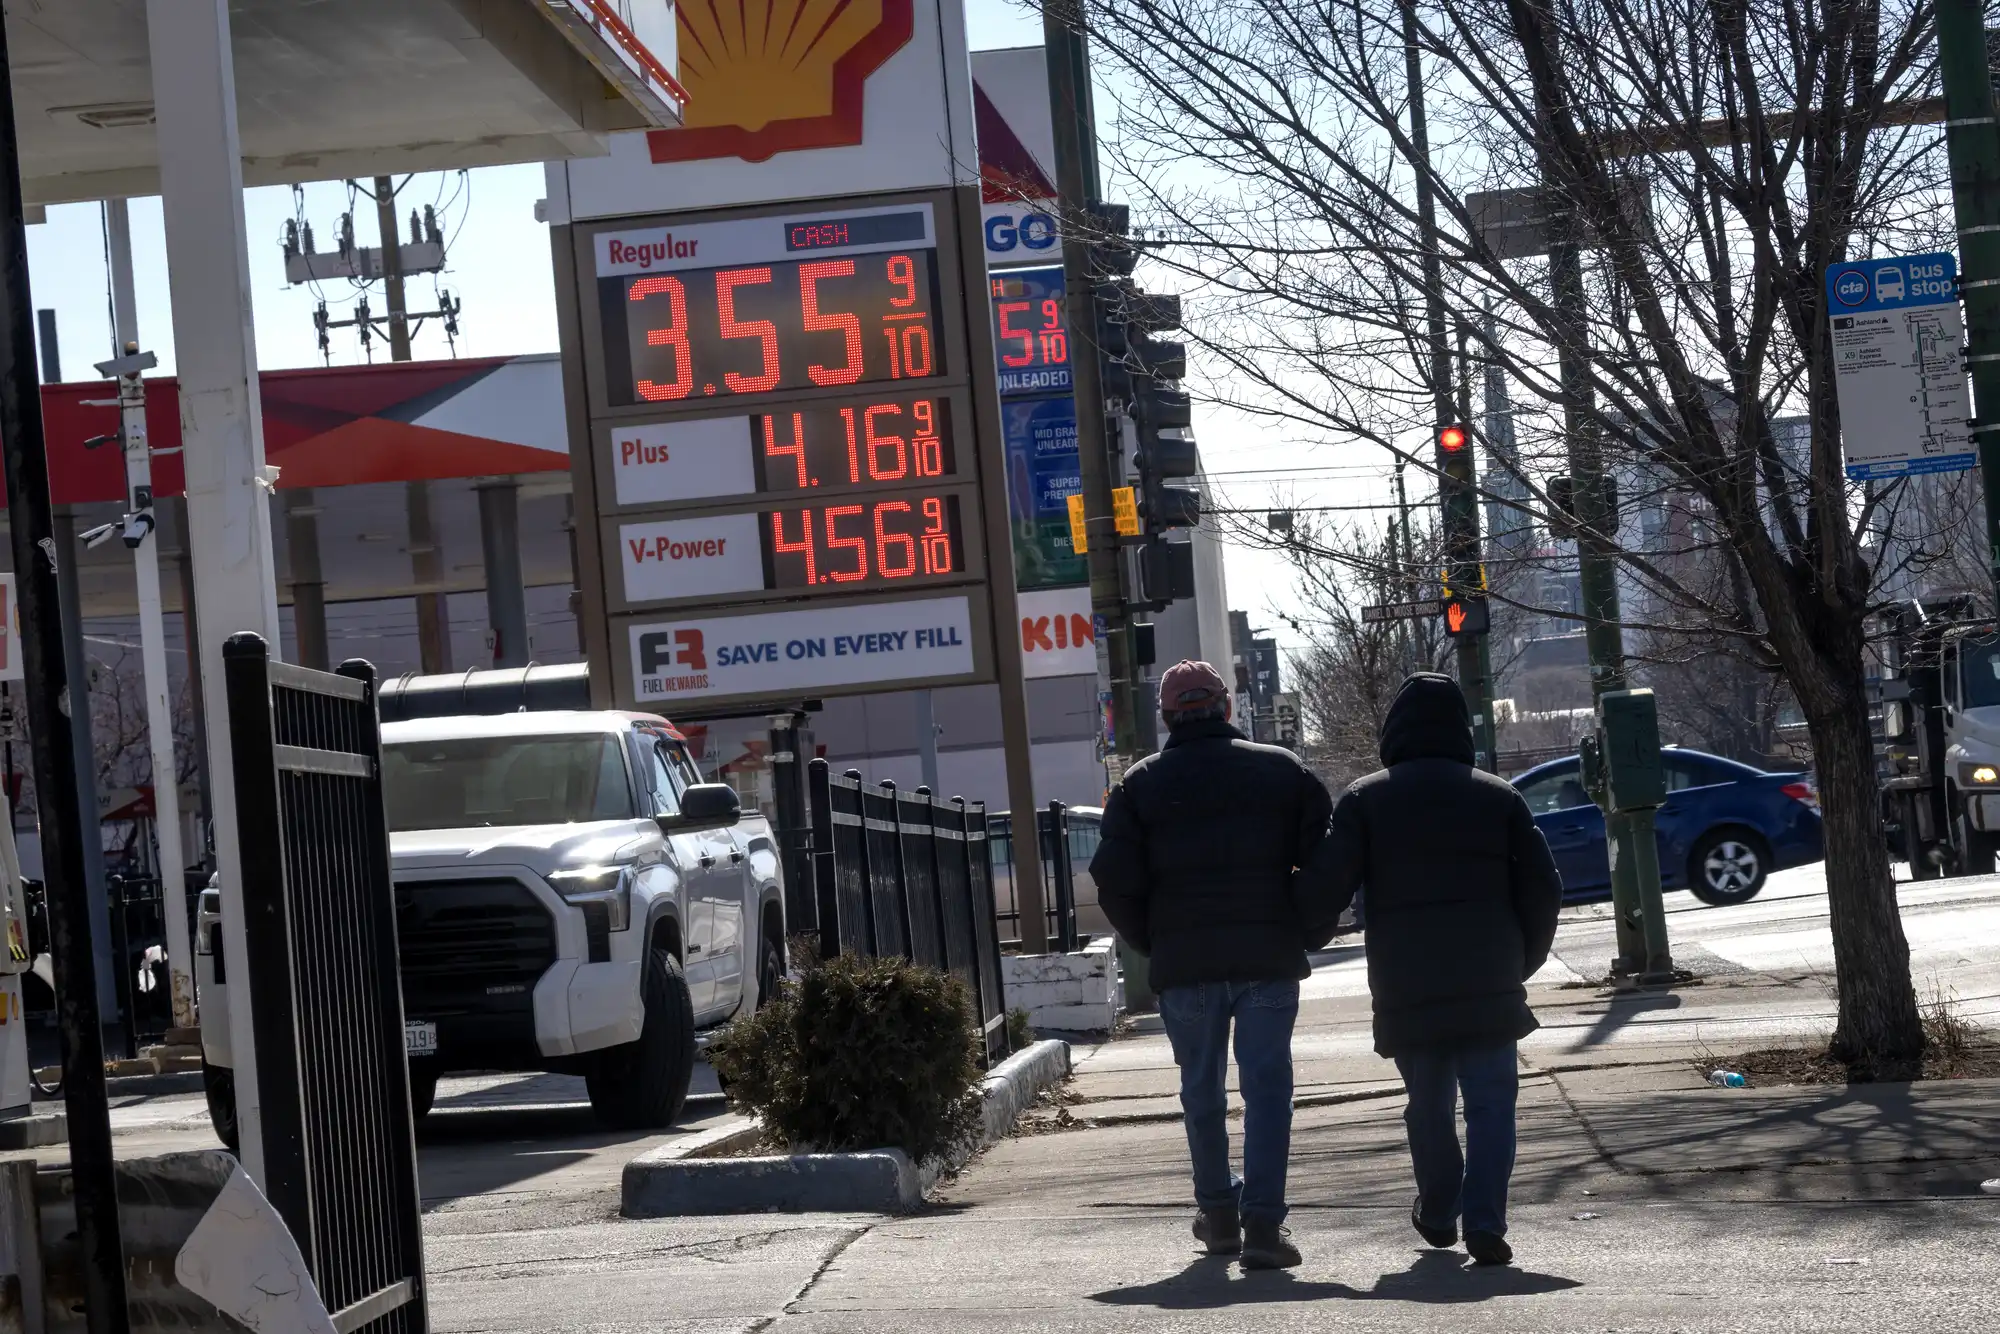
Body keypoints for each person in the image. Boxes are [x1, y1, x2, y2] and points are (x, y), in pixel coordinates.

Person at [1294, 672, 1562, 1267]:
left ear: (1395, 731)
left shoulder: (1366, 799)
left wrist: (1287, 920)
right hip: (1489, 977)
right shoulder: (1499, 797)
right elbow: (1543, 888)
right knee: (1493, 1103)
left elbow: (1325, 889)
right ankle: (1486, 1222)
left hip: (1407, 981)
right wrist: (1523, 960)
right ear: (1460, 730)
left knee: (1429, 1104)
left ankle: (1440, 1210)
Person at [1090, 659, 1332, 1270]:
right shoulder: (1282, 772)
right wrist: (1305, 931)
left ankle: (1219, 1216)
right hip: (1268, 958)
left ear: (1168, 718)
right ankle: (1265, 1230)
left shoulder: (1140, 786)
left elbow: (1113, 881)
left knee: (1202, 1090)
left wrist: (1155, 941)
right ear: (1227, 709)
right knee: (1268, 1090)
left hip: (1186, 963)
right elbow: (1326, 866)